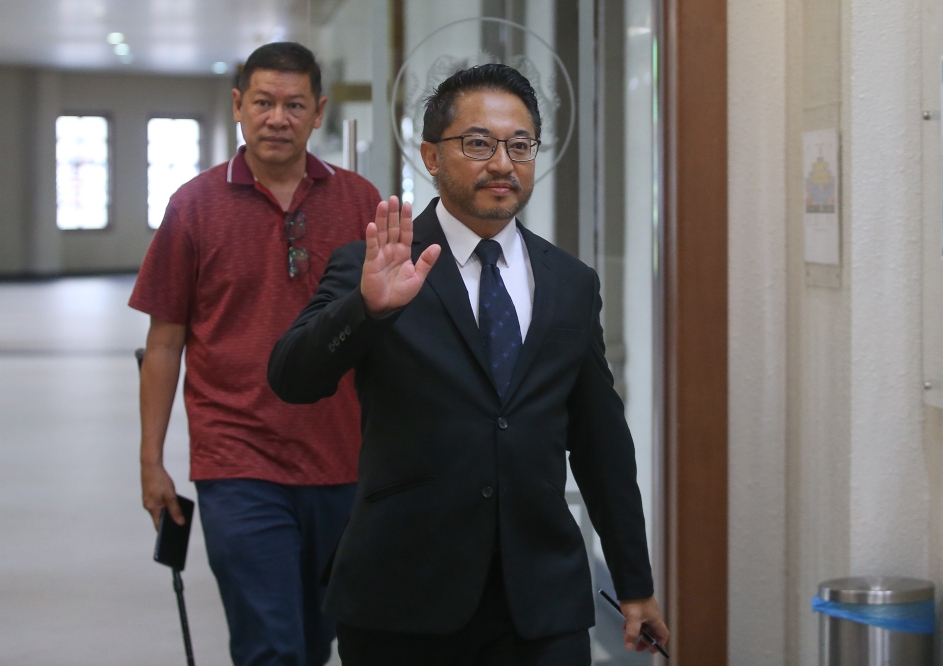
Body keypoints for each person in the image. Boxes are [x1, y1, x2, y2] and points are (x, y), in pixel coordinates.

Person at [268, 64, 669, 665]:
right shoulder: (376, 264)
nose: (502, 164)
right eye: (478, 143)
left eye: (520, 145)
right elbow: (292, 378)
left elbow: (599, 441)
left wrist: (634, 583)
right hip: (403, 595)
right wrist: (365, 309)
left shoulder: (570, 284)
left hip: (541, 602)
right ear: (431, 155)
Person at [130, 42, 380, 666]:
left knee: (318, 638)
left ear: (318, 111)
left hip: (342, 462)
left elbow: (389, 333)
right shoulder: (193, 206)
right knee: (270, 645)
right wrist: (151, 461)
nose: (278, 118)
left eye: (294, 105)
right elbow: (164, 344)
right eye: (264, 102)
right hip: (236, 462)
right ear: (238, 106)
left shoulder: (359, 203)